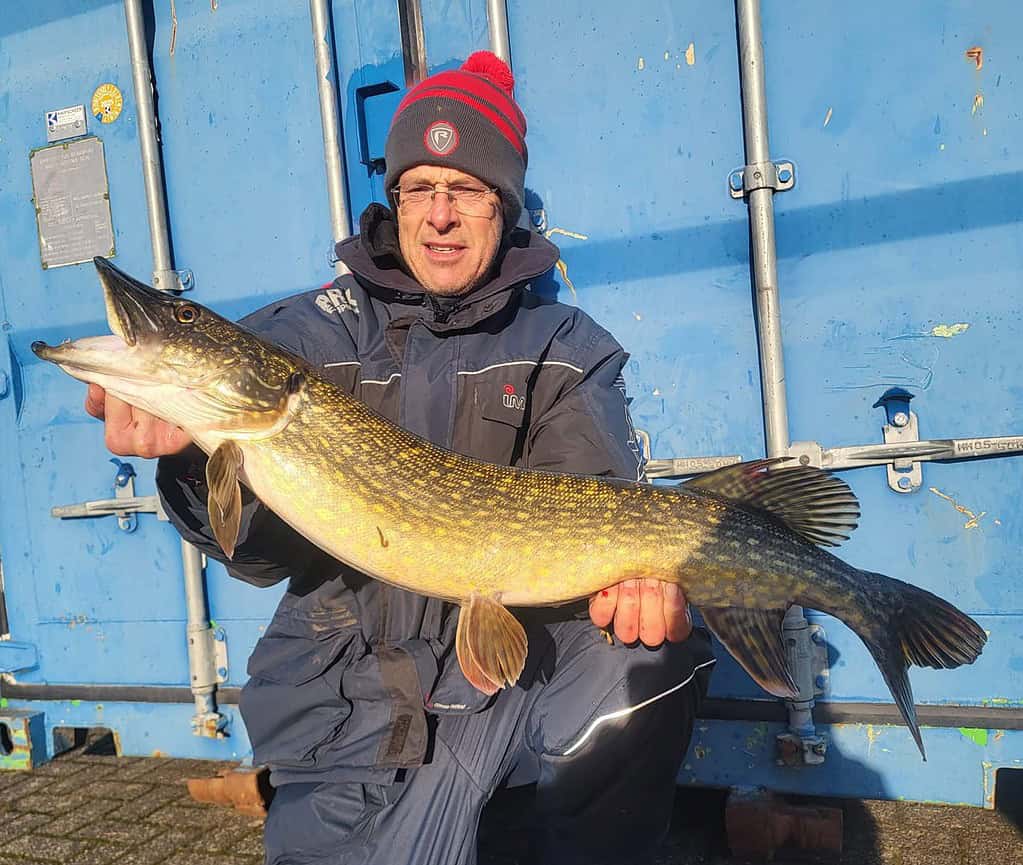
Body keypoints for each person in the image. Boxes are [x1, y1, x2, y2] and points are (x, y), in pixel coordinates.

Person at [86, 51, 715, 865]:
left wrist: (639, 581)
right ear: (394, 201)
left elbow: (589, 501)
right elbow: (258, 553)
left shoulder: (566, 348)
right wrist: (181, 458)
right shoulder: (303, 338)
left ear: (505, 206)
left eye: (467, 190)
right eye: (420, 188)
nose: (440, 215)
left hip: (514, 689)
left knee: (644, 653)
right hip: (351, 701)